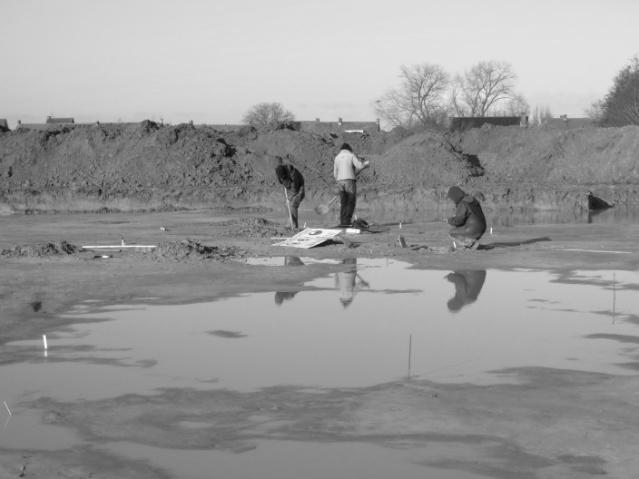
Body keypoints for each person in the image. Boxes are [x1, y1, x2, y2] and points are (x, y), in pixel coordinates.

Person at [333, 143, 370, 227]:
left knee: (343, 202)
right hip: (349, 181)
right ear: (349, 149)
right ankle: (347, 221)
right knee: (350, 201)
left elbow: (335, 174)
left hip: (339, 182)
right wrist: (365, 164)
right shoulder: (351, 155)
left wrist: (340, 180)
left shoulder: (337, 157)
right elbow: (359, 166)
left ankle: (343, 222)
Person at [446, 186, 487, 250]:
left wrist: (449, 220)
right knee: (459, 229)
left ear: (455, 196)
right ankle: (472, 243)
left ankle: (470, 244)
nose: (452, 200)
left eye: (452, 198)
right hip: (482, 228)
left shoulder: (463, 203)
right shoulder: (472, 199)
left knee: (451, 233)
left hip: (473, 228)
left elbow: (459, 220)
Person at [275, 156, 305, 229]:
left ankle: (294, 226)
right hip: (289, 187)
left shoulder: (293, 175)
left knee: (293, 204)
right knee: (286, 204)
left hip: (299, 190)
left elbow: (294, 190)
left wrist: (290, 198)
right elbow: (282, 181)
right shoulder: (280, 170)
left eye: (283, 178)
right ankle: (290, 222)